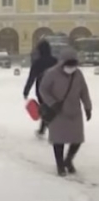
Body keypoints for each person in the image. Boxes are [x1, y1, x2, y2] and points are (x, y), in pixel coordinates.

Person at [39, 48, 92, 177]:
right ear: (62, 62)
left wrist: (87, 107)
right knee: (59, 140)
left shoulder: (78, 74)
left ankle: (68, 160)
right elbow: (43, 90)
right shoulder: (51, 74)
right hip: (58, 111)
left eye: (74, 64)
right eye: (69, 64)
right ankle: (60, 165)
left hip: (74, 111)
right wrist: (52, 103)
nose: (71, 67)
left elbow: (84, 91)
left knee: (77, 139)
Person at [24, 40, 59, 137]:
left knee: (45, 108)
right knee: (50, 108)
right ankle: (44, 129)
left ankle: (48, 129)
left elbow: (31, 77)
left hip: (41, 89)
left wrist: (26, 91)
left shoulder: (37, 63)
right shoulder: (55, 61)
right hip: (54, 88)